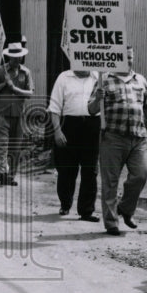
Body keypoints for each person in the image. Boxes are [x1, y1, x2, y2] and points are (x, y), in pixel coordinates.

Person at [88, 46, 147, 236]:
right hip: (112, 137)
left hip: (138, 137)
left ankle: (126, 209)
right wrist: (98, 98)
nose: (128, 61)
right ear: (115, 58)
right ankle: (111, 222)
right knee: (110, 181)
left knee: (140, 176)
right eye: (123, 57)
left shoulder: (140, 80)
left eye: (130, 57)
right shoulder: (104, 79)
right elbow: (91, 109)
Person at [48, 67, 101, 221]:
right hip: (69, 125)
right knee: (66, 169)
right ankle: (65, 203)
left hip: (92, 126)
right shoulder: (64, 77)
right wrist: (57, 131)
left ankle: (86, 211)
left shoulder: (98, 77)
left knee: (90, 169)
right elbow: (54, 108)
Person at [0, 41, 34, 186]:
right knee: (1, 146)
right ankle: (2, 173)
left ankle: (11, 176)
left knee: (16, 148)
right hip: (2, 114)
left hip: (18, 115)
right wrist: (3, 85)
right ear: (9, 57)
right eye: (13, 58)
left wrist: (14, 89)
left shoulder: (26, 73)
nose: (16, 60)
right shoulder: (0, 71)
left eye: (18, 57)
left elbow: (30, 93)